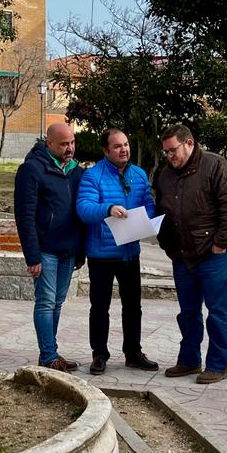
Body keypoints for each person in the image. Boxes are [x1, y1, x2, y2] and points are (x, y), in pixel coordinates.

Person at [153, 124, 227, 384]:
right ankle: (189, 360)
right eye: (166, 152)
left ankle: (217, 364)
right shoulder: (165, 175)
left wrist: (220, 243)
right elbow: (161, 211)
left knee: (217, 312)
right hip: (182, 256)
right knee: (188, 312)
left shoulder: (216, 166)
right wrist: (166, 243)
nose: (170, 156)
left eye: (173, 150)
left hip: (214, 255)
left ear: (189, 143)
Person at [76, 128, 159, 376]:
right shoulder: (93, 176)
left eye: (126, 144)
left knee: (133, 306)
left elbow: (149, 207)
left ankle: (133, 352)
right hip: (102, 254)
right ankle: (99, 354)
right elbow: (84, 209)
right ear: (105, 150)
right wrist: (109, 208)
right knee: (99, 307)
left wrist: (147, 220)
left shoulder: (139, 174)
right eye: (117, 146)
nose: (124, 149)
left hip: (129, 252)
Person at [13, 123, 85, 372]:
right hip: (45, 250)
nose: (70, 149)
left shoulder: (77, 172)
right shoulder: (31, 170)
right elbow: (25, 216)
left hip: (68, 250)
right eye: (64, 144)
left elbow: (81, 214)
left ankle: (51, 352)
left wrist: (80, 251)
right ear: (49, 143)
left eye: (72, 142)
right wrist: (32, 256)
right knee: (45, 302)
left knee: (57, 303)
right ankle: (48, 355)